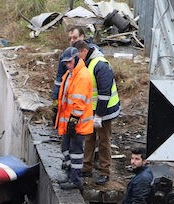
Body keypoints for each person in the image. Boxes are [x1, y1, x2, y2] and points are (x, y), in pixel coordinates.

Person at [55, 41, 95, 191]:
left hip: (77, 123)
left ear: (76, 59)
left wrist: (73, 121)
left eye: (69, 62)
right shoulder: (71, 74)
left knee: (76, 152)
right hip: (69, 122)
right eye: (65, 63)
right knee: (66, 148)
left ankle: (75, 180)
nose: (67, 65)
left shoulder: (82, 76)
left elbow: (79, 103)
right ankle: (69, 173)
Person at [79, 43, 121, 185]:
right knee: (89, 138)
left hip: (105, 111)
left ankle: (104, 172)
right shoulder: (88, 62)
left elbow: (104, 93)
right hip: (92, 109)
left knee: (104, 141)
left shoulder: (100, 65)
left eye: (79, 55)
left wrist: (99, 115)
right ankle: (87, 167)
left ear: (84, 51)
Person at [51, 26, 101, 101]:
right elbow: (59, 77)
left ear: (82, 37)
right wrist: (55, 97)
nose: (72, 40)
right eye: (70, 38)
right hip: (73, 96)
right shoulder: (65, 56)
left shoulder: (92, 53)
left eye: (75, 38)